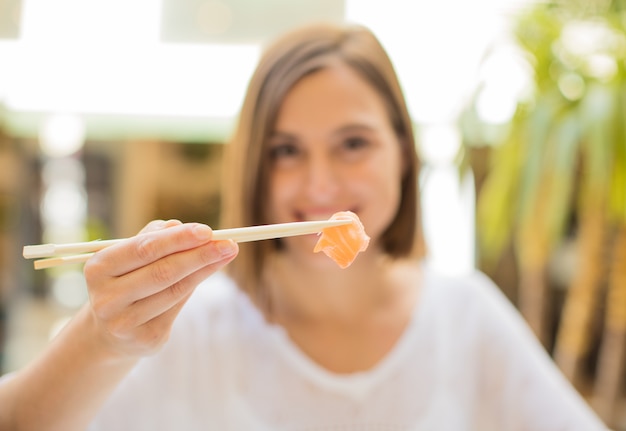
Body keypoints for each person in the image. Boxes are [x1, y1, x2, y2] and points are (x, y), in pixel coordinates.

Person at [0, 23, 608, 431]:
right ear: (251, 170)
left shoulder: (464, 314)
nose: (320, 185)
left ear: (403, 152)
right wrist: (101, 340)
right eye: (285, 150)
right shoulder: (187, 326)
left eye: (353, 143)